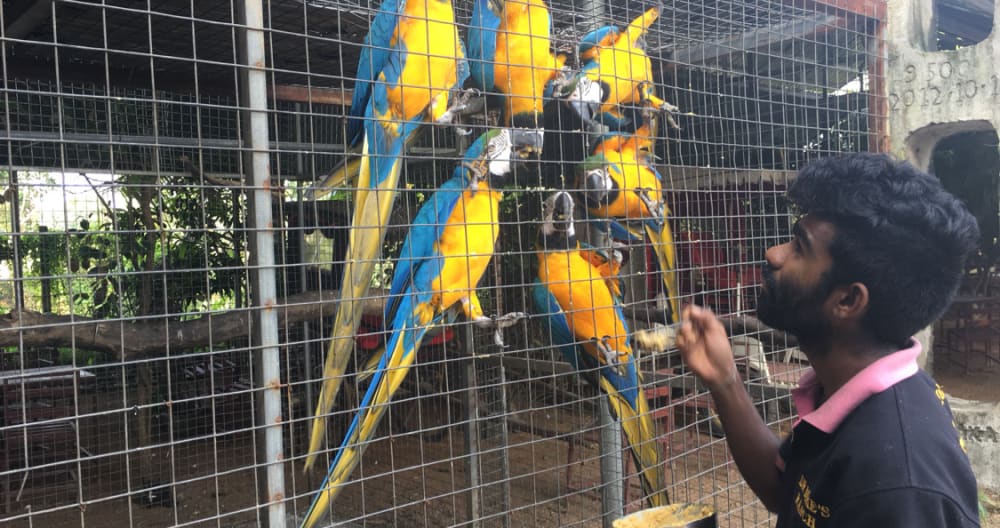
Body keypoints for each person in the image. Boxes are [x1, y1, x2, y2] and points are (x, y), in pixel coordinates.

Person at [674, 153, 981, 527]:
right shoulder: (849, 390)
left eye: (800, 248)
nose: (774, 254)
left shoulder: (900, 487)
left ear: (848, 301)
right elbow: (785, 490)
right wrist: (724, 380)